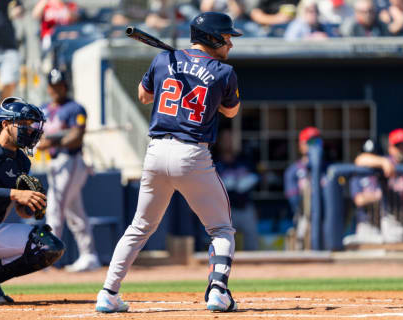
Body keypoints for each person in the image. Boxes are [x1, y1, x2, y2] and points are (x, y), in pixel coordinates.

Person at [95, 11, 242, 313]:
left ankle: (108, 293)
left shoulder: (165, 61)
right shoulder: (223, 72)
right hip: (192, 155)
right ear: (212, 38)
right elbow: (231, 112)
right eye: (226, 37)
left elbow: (143, 96)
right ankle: (218, 290)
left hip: (156, 153)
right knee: (221, 229)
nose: (230, 43)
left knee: (139, 227)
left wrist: (179, 75)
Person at [0, 97, 65, 303]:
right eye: (22, 124)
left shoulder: (21, 160)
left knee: (48, 244)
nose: (29, 129)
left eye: (31, 125)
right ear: (5, 124)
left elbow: (21, 210)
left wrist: (29, 206)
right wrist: (16, 194)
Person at [36, 69, 101, 272]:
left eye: (60, 85)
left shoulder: (75, 108)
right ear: (48, 87)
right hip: (54, 163)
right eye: (53, 86)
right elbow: (36, 135)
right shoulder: (44, 109)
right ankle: (89, 255)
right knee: (75, 213)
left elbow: (76, 137)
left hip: (71, 160)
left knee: (55, 207)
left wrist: (52, 142)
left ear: (65, 86)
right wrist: (43, 142)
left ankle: (47, 255)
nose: (56, 90)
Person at [214, 128, 259, 251]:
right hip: (225, 210)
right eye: (225, 139)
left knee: (252, 242)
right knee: (223, 245)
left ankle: (254, 268)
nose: (228, 142)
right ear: (219, 142)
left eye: (231, 139)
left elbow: (257, 177)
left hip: (245, 207)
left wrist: (244, 183)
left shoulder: (244, 160)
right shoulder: (214, 162)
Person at [284, 126, 322, 249]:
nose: (314, 145)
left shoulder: (327, 169)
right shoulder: (293, 170)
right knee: (301, 236)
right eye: (310, 141)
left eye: (317, 141)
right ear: (301, 145)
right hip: (303, 217)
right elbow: (293, 200)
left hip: (324, 219)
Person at [0, 0, 24, 107]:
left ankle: (2, 113)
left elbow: (19, 7)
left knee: (10, 82)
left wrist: (17, 11)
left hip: (8, 46)